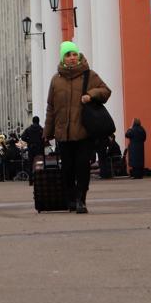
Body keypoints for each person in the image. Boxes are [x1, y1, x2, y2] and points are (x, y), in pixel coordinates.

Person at [44, 41, 111, 215]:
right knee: (67, 169)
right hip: (63, 133)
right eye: (68, 55)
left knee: (82, 167)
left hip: (83, 132)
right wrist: (47, 132)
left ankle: (81, 199)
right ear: (63, 58)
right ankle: (71, 198)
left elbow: (106, 91)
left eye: (74, 54)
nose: (72, 58)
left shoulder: (89, 75)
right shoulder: (56, 80)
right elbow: (51, 107)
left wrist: (91, 95)